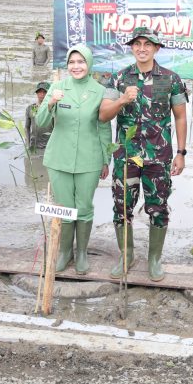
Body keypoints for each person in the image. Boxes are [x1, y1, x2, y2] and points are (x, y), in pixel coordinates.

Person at [99, 27, 189, 282]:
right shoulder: (118, 79)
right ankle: (126, 255)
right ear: (131, 47)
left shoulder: (172, 79)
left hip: (158, 158)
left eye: (147, 44)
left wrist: (181, 153)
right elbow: (103, 115)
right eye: (137, 44)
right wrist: (121, 101)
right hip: (127, 156)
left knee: (158, 208)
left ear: (156, 48)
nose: (142, 48)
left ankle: (154, 259)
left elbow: (181, 117)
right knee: (122, 206)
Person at [35, 46, 111, 274]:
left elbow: (104, 127)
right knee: (65, 207)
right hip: (59, 157)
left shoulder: (99, 91)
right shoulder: (57, 88)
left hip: (89, 158)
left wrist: (105, 159)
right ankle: (65, 252)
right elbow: (40, 122)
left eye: (81, 62)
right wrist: (50, 103)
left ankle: (81, 253)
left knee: (84, 207)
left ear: (89, 65)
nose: (76, 66)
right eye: (72, 62)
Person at [25, 82, 55, 151]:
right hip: (34, 144)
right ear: (36, 93)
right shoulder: (33, 108)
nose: (42, 94)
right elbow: (27, 127)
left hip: (49, 146)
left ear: (49, 94)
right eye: (39, 92)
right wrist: (27, 144)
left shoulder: (53, 108)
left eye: (44, 92)